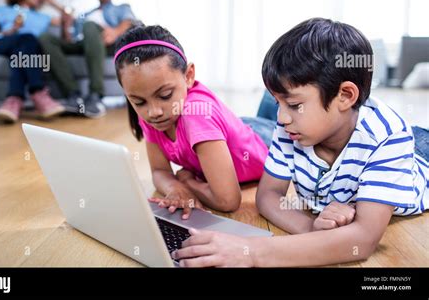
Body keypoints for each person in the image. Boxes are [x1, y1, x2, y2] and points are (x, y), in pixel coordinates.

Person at [172, 18, 429, 267]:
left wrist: (250, 252)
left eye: (294, 105)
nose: (282, 118)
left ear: (345, 95)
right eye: (278, 103)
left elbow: (363, 239)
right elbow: (268, 195)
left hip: (421, 152)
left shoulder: (389, 138)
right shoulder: (291, 126)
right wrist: (311, 228)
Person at [113, 25, 272, 218]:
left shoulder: (196, 115)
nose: (153, 112)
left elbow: (228, 200)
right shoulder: (152, 113)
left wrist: (188, 182)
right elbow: (159, 171)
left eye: (165, 95)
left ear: (189, 76)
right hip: (235, 130)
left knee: (283, 100)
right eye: (138, 101)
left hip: (264, 139)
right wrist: (174, 187)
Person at [39, 0, 138, 118]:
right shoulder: (86, 14)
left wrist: (115, 32)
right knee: (46, 38)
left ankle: (95, 96)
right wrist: (64, 23)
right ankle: (73, 95)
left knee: (90, 26)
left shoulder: (120, 8)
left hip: (107, 43)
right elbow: (70, 34)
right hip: (83, 43)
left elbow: (129, 21)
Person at [0, 0, 65, 122]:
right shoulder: (1, 10)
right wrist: (13, 28)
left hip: (27, 49)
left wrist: (53, 3)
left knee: (25, 47)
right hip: (3, 42)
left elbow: (69, 19)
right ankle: (38, 91)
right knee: (27, 38)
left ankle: (14, 99)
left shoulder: (43, 17)